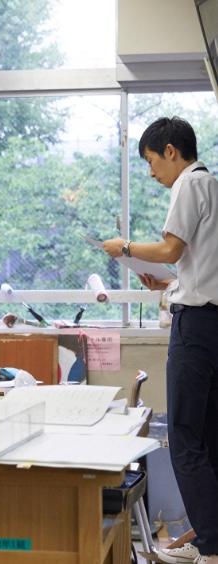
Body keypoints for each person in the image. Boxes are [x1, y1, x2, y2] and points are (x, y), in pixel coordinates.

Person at [103, 117, 218, 564]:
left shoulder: (188, 185)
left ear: (171, 151)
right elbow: (200, 268)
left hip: (195, 328)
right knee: (210, 439)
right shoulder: (214, 186)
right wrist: (167, 287)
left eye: (152, 161)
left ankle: (211, 548)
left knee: (186, 441)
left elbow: (171, 249)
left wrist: (126, 247)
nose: (152, 172)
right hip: (213, 322)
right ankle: (209, 538)